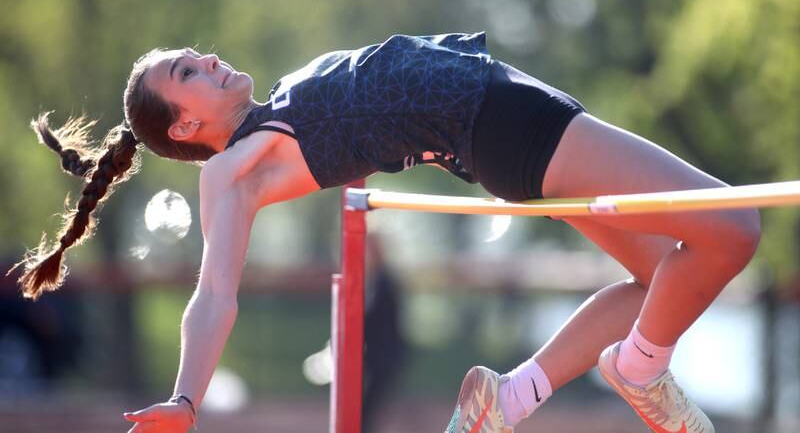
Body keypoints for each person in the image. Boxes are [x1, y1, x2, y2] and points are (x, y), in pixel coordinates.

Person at [13, 33, 759, 433]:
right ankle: (638, 368)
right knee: (734, 226)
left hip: (501, 112)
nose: (207, 57)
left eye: (194, 53)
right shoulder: (237, 167)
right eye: (189, 70)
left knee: (666, 269)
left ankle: (510, 398)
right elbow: (215, 291)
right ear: (187, 123)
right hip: (500, 125)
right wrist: (186, 397)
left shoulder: (274, 113)